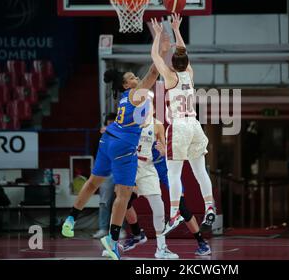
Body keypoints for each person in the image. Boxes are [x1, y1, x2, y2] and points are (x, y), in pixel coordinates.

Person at [60, 63, 161, 260]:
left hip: (108, 140)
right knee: (123, 195)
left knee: (92, 182)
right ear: (126, 85)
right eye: (132, 78)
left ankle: (71, 219)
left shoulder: (124, 98)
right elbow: (154, 72)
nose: (136, 79)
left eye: (135, 76)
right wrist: (161, 47)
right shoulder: (135, 93)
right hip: (123, 146)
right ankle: (112, 241)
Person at [150, 14, 216, 236]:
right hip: (195, 125)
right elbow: (182, 52)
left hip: (179, 127)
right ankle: (209, 207)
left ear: (173, 63)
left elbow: (154, 56)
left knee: (173, 174)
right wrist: (177, 30)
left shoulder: (170, 77)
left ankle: (175, 212)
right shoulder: (189, 74)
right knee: (200, 171)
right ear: (186, 63)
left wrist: (159, 35)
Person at [118, 108, 211, 257]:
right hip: (146, 171)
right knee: (125, 200)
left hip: (165, 170)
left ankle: (201, 242)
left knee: (181, 207)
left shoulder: (158, 126)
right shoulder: (133, 126)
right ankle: (137, 234)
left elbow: (170, 149)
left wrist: (164, 150)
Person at [92, 113, 125, 240]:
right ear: (106, 124)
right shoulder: (102, 136)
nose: (111, 125)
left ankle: (120, 229)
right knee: (104, 201)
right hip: (106, 172)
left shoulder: (124, 134)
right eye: (109, 123)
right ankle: (103, 228)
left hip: (121, 170)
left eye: (113, 123)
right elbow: (97, 152)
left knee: (121, 201)